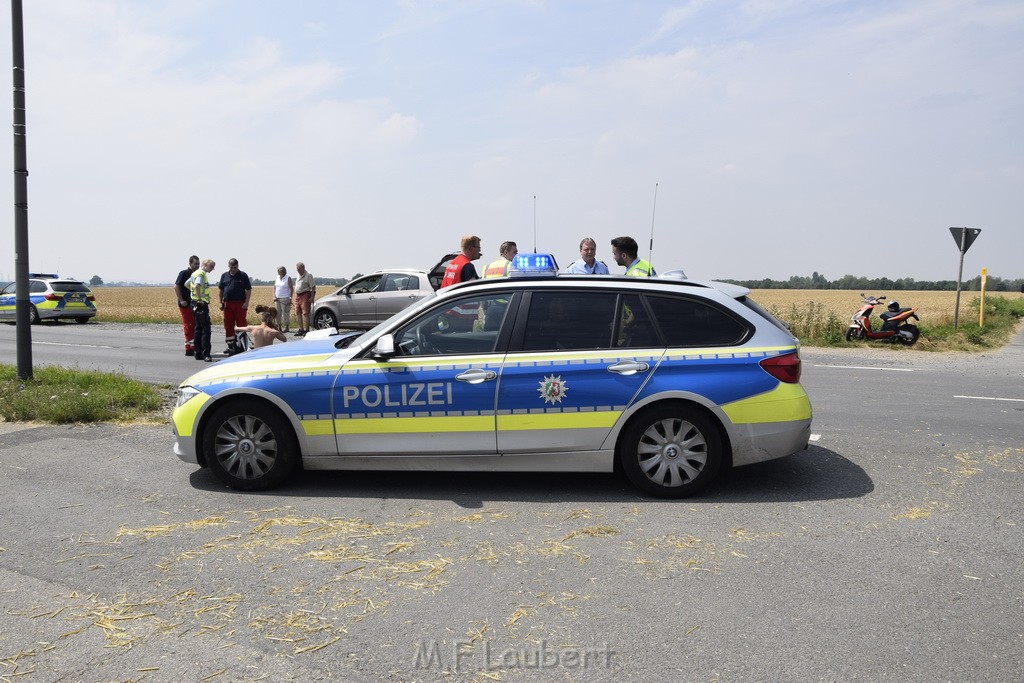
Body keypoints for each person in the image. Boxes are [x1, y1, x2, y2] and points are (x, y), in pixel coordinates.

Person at [218, 258, 252, 355]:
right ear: (229, 266)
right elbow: (220, 291)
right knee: (228, 325)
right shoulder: (224, 276)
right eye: (231, 267)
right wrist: (220, 302)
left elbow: (249, 290)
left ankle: (242, 346)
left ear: (238, 266)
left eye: (235, 267)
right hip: (228, 304)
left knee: (241, 325)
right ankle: (230, 346)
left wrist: (246, 303)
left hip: (240, 304)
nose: (233, 269)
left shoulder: (243, 275)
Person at [189, 259, 216, 362]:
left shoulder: (194, 273)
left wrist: (194, 296)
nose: (212, 269)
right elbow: (197, 285)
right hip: (200, 304)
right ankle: (206, 354)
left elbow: (187, 284)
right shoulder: (201, 274)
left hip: (194, 303)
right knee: (205, 329)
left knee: (198, 328)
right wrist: (200, 299)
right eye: (211, 266)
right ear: (205, 264)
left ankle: (198, 352)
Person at [173, 255, 200, 356]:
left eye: (198, 264)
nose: (197, 265)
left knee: (194, 325)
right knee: (188, 326)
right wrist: (181, 300)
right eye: (195, 264)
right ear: (190, 264)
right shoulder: (184, 273)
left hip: (194, 304)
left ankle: (194, 346)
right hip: (186, 304)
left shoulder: (197, 274)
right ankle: (189, 348)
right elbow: (176, 286)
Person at [293, 262, 316, 336]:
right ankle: (301, 329)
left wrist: (312, 297)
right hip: (298, 295)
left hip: (305, 294)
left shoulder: (308, 275)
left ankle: (307, 330)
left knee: (305, 313)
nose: (298, 271)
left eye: (299, 269)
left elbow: (313, 287)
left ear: (303, 267)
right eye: (297, 269)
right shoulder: (298, 274)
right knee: (298, 312)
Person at [273, 266, 294, 332]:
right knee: (278, 313)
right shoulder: (277, 277)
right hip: (277, 298)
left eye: (279, 272)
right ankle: (279, 326)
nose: (278, 273)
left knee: (285, 313)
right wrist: (274, 295)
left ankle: (287, 327)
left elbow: (291, 289)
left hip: (285, 298)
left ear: (283, 272)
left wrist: (290, 297)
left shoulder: (288, 278)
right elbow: (274, 287)